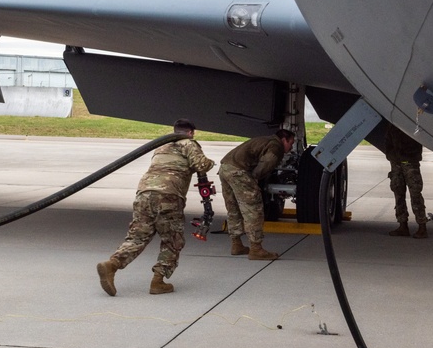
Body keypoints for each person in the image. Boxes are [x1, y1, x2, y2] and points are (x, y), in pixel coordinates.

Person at [96, 119, 215, 296]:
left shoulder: (161, 146)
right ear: (190, 132)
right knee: (172, 240)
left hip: (144, 193)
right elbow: (201, 165)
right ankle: (158, 281)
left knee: (137, 237)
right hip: (168, 195)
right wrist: (211, 162)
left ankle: (112, 264)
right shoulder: (188, 143)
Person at [218, 129, 295, 260]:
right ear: (283, 140)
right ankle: (256, 249)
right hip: (239, 171)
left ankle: (236, 244)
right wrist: (254, 180)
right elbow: (264, 166)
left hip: (225, 168)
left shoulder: (265, 139)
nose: (291, 147)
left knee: (233, 208)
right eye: (291, 143)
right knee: (253, 209)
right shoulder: (276, 147)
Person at [385, 123, 427, 238]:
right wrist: (392, 157)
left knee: (415, 194)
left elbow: (418, 141)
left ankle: (422, 226)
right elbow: (388, 141)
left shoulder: (410, 122)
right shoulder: (392, 124)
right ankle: (402, 225)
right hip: (397, 162)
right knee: (398, 194)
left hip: (409, 162)